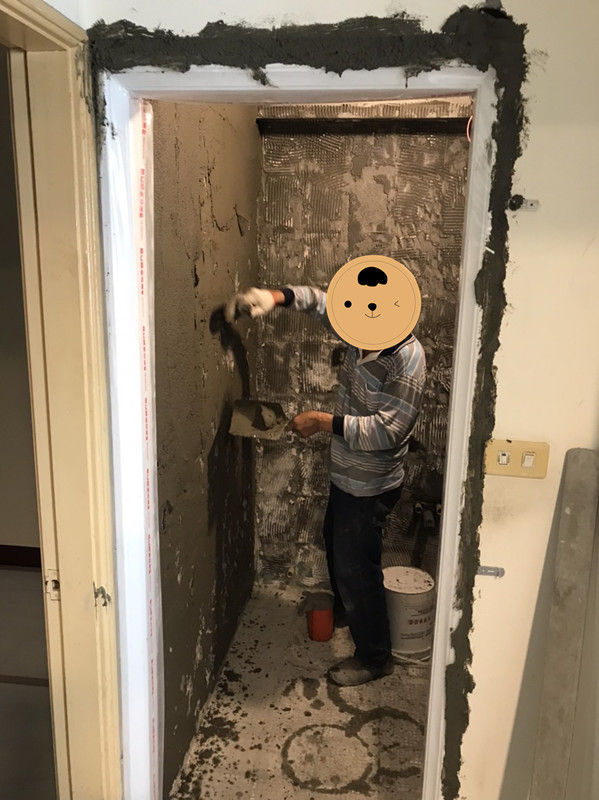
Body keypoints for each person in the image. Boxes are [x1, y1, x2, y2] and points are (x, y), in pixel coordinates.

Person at [226, 282, 426, 686]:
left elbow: (391, 430)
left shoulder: (406, 359)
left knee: (357, 569)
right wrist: (275, 297)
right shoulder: (360, 323)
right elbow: (322, 303)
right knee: (335, 543)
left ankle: (375, 657)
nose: (353, 333)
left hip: (371, 484)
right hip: (345, 473)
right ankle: (348, 610)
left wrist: (323, 422)